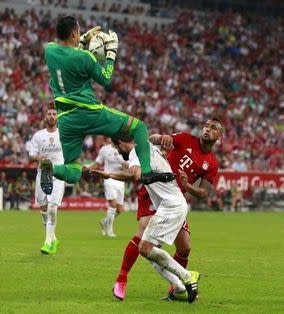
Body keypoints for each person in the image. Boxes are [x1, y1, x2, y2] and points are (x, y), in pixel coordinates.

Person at [40, 16, 174, 196]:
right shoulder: (85, 57)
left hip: (65, 119)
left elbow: (68, 52)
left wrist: (84, 39)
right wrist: (110, 54)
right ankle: (147, 172)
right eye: (78, 31)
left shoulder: (49, 50)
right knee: (139, 128)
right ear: (73, 33)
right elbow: (105, 79)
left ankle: (51, 169)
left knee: (73, 171)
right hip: (88, 112)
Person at [110, 117, 222, 301]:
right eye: (206, 125)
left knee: (185, 247)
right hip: (153, 191)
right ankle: (121, 280)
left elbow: (203, 193)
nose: (207, 129)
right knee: (143, 235)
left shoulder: (211, 163)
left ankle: (176, 288)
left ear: (219, 135)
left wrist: (189, 186)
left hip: (173, 200)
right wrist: (163, 138)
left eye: (213, 128)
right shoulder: (185, 139)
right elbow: (151, 140)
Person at [90, 137, 201, 303]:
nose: (119, 152)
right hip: (169, 204)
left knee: (146, 247)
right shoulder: (146, 147)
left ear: (121, 143)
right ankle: (178, 285)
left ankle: (186, 276)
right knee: (147, 250)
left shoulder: (136, 151)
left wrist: (108, 174)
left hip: (172, 206)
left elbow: (133, 174)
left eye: (117, 148)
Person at [29, 107, 65, 255]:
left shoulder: (63, 134)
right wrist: (39, 158)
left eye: (54, 114)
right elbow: (31, 155)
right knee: (44, 209)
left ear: (57, 117)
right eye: (49, 114)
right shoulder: (38, 135)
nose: (51, 116)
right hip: (42, 176)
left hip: (58, 176)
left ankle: (47, 242)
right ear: (45, 117)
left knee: (52, 208)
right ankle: (54, 238)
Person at [89, 139, 127, 237]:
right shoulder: (105, 149)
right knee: (113, 205)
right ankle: (110, 230)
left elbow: (128, 167)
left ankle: (104, 222)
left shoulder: (125, 148)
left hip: (120, 179)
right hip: (109, 178)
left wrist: (125, 165)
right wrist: (88, 169)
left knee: (119, 209)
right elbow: (98, 163)